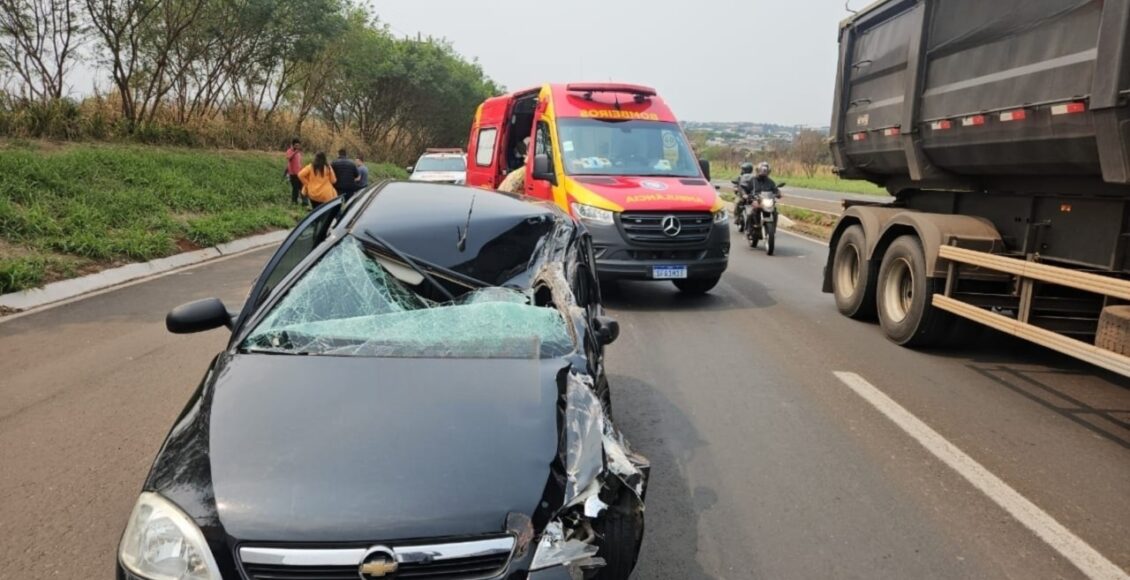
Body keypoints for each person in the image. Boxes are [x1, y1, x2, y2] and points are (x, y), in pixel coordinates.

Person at [747, 161, 782, 231]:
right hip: (756, 200)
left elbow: (775, 189)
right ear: (758, 170)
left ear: (768, 171)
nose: (763, 172)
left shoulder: (770, 182)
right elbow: (747, 190)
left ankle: (773, 229)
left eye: (765, 170)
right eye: (762, 170)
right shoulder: (753, 180)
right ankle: (749, 228)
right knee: (750, 212)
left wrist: (778, 193)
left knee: (775, 212)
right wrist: (748, 195)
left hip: (767, 201)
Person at [735, 162, 756, 232]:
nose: (741, 170)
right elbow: (736, 184)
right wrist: (736, 188)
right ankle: (737, 218)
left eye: (743, 169)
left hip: (751, 195)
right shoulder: (739, 177)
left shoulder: (754, 177)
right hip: (741, 194)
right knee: (737, 203)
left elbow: (756, 186)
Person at [285, 139, 306, 207]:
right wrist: (295, 153)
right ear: (293, 145)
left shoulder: (299, 153)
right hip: (293, 174)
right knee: (295, 189)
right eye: (296, 145)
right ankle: (294, 202)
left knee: (302, 188)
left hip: (300, 174)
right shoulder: (289, 151)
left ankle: (305, 203)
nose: (297, 147)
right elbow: (289, 158)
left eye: (298, 145)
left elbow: (299, 163)